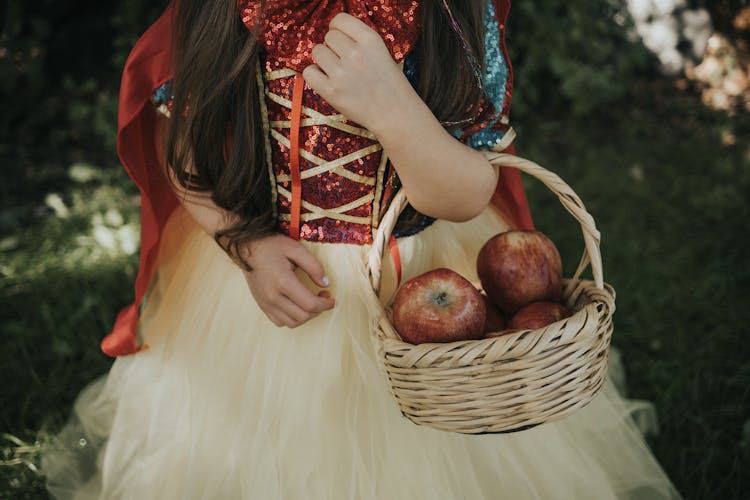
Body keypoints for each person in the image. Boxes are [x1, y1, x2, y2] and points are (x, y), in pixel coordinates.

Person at [43, 1, 682, 498]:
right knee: (278, 454)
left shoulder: (451, 14)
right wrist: (246, 243)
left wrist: (391, 105)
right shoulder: (222, 10)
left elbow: (467, 191)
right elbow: (185, 148)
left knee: (438, 452)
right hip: (281, 281)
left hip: (423, 264)